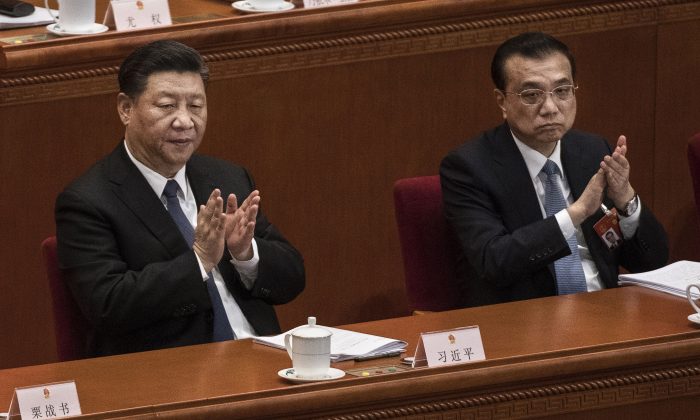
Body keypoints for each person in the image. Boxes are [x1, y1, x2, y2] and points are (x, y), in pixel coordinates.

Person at [55, 40, 305, 357]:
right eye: (167, 106)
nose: (185, 121)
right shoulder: (87, 201)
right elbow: (109, 304)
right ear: (125, 108)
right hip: (172, 373)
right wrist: (199, 260)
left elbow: (294, 277)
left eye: (196, 106)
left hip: (263, 359)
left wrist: (246, 253)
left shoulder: (226, 178)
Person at [440, 32, 668, 307]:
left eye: (562, 91)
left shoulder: (593, 151)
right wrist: (575, 213)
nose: (550, 108)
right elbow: (494, 261)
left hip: (607, 314)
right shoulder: (469, 167)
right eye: (532, 95)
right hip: (526, 324)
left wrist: (626, 202)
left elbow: (653, 261)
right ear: (502, 101)